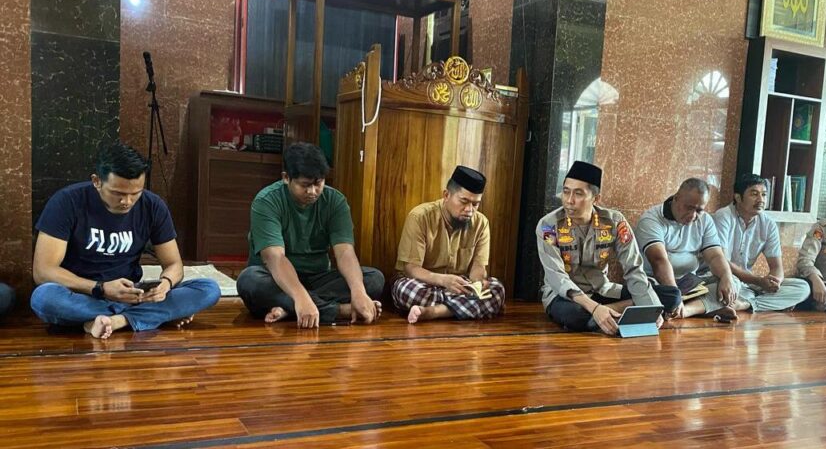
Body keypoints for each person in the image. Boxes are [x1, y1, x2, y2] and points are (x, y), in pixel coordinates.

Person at [30, 142, 221, 339]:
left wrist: (166, 284)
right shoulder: (67, 201)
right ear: (97, 181)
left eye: (135, 193)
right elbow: (43, 271)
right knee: (44, 298)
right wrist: (101, 288)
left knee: (208, 289)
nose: (127, 202)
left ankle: (116, 321)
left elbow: (174, 264)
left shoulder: (153, 206)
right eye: (118, 194)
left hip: (132, 294)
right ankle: (150, 316)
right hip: (82, 294)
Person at [236, 142, 384, 328]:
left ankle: (290, 308)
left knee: (374, 279)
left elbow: (345, 252)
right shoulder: (266, 201)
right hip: (276, 278)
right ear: (286, 178)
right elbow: (275, 258)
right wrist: (300, 296)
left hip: (318, 278)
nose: (313, 192)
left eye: (318, 183)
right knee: (249, 280)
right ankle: (337, 311)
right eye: (304, 185)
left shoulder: (335, 201)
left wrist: (358, 292)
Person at [536, 161, 680, 335]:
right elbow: (556, 276)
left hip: (602, 290)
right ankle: (611, 312)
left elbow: (633, 268)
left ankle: (606, 314)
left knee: (672, 296)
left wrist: (650, 307)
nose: (569, 200)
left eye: (578, 193)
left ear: (596, 199)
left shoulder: (615, 222)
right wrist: (595, 308)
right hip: (565, 296)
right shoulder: (548, 225)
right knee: (576, 316)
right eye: (566, 191)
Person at [391, 166, 505, 323]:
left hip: (460, 286)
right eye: (464, 201)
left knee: (496, 289)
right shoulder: (420, 217)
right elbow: (411, 269)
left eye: (475, 204)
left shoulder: (481, 223)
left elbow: (478, 267)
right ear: (446, 195)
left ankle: (434, 312)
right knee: (406, 290)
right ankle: (469, 308)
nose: (469, 210)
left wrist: (478, 283)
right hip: (424, 283)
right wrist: (443, 280)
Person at [635, 178, 742, 322]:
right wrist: (674, 294)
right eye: (688, 208)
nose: (693, 215)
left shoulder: (705, 221)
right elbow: (659, 261)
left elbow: (715, 256)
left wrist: (726, 277)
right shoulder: (651, 220)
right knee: (647, 293)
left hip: (689, 283)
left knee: (733, 282)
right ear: (676, 198)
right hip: (658, 282)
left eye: (699, 210)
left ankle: (685, 311)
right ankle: (701, 307)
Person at [710, 174, 810, 312]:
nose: (761, 200)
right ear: (738, 197)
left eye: (764, 194)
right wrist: (758, 281)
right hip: (723, 276)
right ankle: (755, 301)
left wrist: (774, 283)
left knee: (802, 288)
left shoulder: (768, 224)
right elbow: (722, 261)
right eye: (754, 194)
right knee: (728, 285)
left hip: (750, 282)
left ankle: (747, 304)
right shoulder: (723, 216)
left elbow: (777, 267)